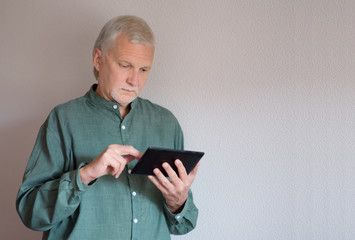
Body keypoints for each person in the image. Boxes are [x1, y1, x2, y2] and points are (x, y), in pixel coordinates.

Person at [16, 15, 199, 240]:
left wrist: (178, 202)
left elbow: (182, 226)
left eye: (144, 70)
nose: (135, 80)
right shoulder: (62, 120)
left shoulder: (167, 124)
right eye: (125, 65)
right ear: (98, 59)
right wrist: (85, 174)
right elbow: (30, 213)